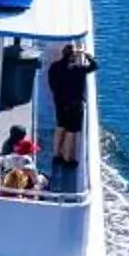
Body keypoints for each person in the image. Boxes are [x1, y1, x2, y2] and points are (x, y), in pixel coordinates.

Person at [47, 42, 99, 178]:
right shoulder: (78, 70)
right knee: (71, 131)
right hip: (74, 104)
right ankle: (67, 158)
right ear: (73, 57)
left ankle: (56, 154)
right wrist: (86, 54)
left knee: (60, 127)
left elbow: (51, 84)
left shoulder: (54, 67)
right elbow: (94, 66)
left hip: (59, 102)